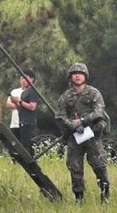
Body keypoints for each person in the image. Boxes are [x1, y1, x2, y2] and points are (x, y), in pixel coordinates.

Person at [56, 61, 110, 202]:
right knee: (75, 167)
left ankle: (105, 194)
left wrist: (82, 121)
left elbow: (99, 111)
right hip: (74, 136)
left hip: (92, 134)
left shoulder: (94, 93)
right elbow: (61, 116)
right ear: (71, 77)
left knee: (99, 165)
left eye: (80, 73)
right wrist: (73, 125)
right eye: (74, 73)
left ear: (85, 76)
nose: (77, 76)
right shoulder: (66, 96)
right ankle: (79, 197)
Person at [7, 69, 41, 149]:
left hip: (28, 122)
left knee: (25, 146)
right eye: (22, 78)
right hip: (21, 121)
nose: (23, 81)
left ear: (32, 79)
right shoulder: (23, 93)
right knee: (19, 146)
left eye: (25, 78)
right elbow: (20, 108)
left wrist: (19, 101)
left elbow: (32, 107)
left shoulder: (32, 91)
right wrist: (15, 102)